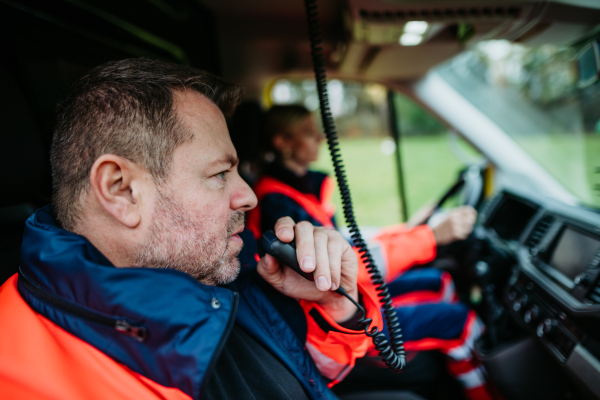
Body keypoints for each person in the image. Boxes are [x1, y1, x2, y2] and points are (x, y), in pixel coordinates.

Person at [0, 59, 392, 400]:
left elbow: (305, 378)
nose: (249, 197)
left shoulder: (216, 277)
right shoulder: (23, 375)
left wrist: (334, 310)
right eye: (220, 174)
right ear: (121, 190)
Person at [247, 104, 497, 400]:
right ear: (282, 142)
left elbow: (348, 244)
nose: (320, 137)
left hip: (355, 296)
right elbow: (345, 269)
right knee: (462, 322)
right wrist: (429, 237)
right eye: (307, 132)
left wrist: (409, 228)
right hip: (332, 323)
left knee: (441, 282)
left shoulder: (303, 189)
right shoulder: (279, 204)